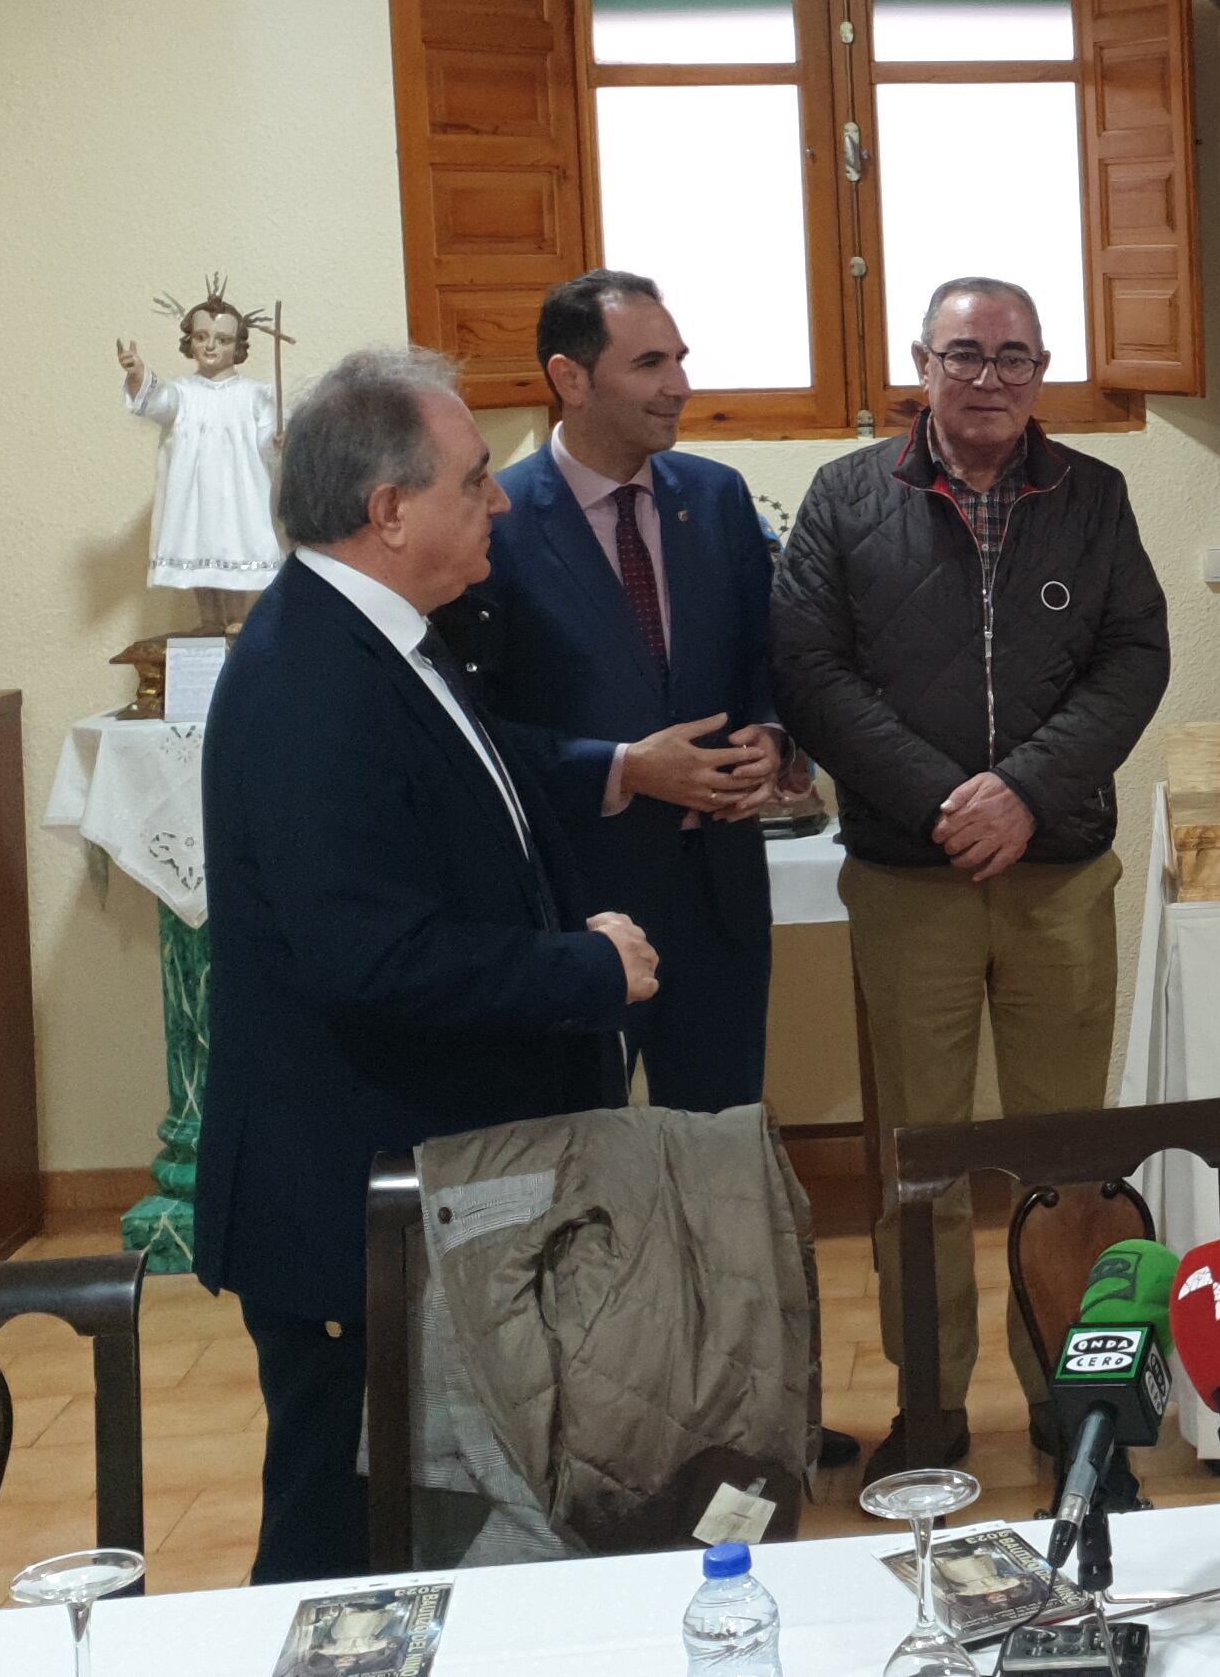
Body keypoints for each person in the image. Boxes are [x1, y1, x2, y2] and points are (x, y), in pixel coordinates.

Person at [195, 345, 658, 1583]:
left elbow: (469, 786)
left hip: (418, 1182)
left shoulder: (384, 637)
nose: (499, 501)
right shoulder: (304, 679)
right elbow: (372, 957)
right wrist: (584, 972)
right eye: (474, 480)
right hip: (349, 1203)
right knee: (342, 1541)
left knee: (444, 1520)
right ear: (388, 511)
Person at [774, 276, 1169, 1474]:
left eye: (1012, 357)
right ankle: (931, 1408)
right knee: (920, 1164)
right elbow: (811, 671)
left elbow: (1133, 660)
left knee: (1070, 1163)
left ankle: (1073, 1400)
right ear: (921, 363)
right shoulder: (846, 500)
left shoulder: (1093, 498)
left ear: (1041, 369)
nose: (988, 378)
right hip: (910, 877)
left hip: (1056, 876)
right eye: (964, 355)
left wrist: (1026, 791)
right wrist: (945, 800)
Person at [464, 270, 793, 1114]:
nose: (679, 386)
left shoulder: (716, 499)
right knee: (577, 1167)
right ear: (569, 378)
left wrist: (774, 735)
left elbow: (770, 658)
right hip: (574, 909)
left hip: (719, 900)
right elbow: (472, 731)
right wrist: (621, 768)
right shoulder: (494, 520)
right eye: (651, 363)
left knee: (718, 1151)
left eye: (680, 359)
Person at [117, 281, 284, 632]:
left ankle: (239, 616)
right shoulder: (182, 393)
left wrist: (279, 441)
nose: (210, 346)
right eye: (201, 337)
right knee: (199, 544)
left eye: (222, 340)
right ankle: (209, 617)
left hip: (240, 492)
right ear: (189, 340)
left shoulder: (255, 394)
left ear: (237, 346)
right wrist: (138, 375)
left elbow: (270, 439)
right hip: (195, 494)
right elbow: (157, 401)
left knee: (238, 545)